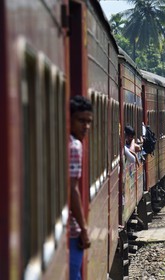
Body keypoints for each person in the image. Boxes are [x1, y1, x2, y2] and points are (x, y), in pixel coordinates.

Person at [69, 95, 93, 279]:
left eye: (88, 122)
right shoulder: (75, 146)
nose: (85, 126)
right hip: (72, 231)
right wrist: (84, 231)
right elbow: (72, 190)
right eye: (80, 120)